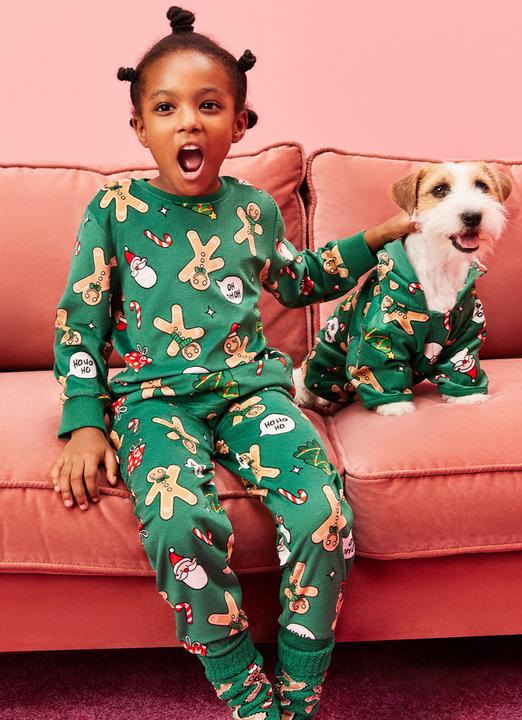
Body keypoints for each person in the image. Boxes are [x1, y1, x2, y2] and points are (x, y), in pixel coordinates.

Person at [50, 7, 418, 719]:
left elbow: (299, 280)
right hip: (153, 401)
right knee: (176, 523)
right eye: (167, 108)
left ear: (240, 124)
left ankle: (300, 691)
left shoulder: (254, 210)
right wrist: (84, 421)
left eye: (209, 106)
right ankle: (247, 693)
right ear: (140, 128)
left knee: (323, 515)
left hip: (253, 395)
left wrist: (378, 236)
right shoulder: (114, 208)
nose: (188, 122)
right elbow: (80, 321)